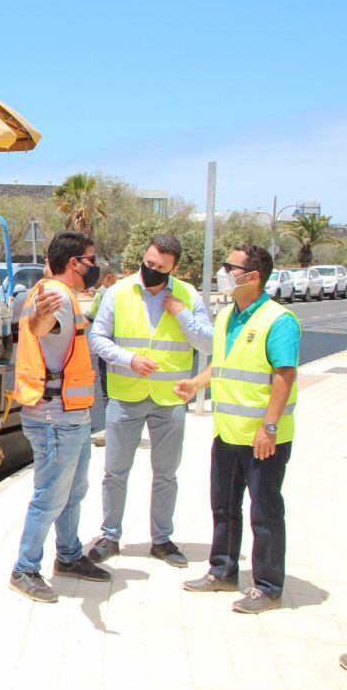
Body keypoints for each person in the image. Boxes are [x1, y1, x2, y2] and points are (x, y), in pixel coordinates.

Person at [174, 244, 299, 614]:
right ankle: (223, 571)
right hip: (227, 432)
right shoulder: (228, 314)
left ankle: (268, 587)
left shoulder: (279, 320)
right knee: (224, 507)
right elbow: (224, 365)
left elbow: (284, 376)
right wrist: (197, 383)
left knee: (265, 513)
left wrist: (269, 427)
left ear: (253, 276)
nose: (223, 272)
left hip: (263, 438)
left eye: (230, 267)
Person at [86, 235, 214, 569]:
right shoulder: (118, 291)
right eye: (148, 262)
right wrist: (129, 359)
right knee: (115, 472)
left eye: (159, 267)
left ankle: (162, 540)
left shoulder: (187, 295)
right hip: (125, 397)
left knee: (166, 474)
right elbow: (97, 338)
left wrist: (182, 314)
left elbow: (209, 343)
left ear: (174, 268)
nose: (150, 270)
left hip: (170, 400)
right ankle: (109, 536)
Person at [9, 230, 111, 603]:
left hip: (73, 416)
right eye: (91, 259)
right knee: (50, 496)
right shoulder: (53, 296)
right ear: (75, 263)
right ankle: (25, 568)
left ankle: (68, 557)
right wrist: (36, 317)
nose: (94, 266)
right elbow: (40, 325)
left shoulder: (64, 295)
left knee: (73, 492)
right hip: (54, 417)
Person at [85, 271, 118, 402]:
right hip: (113, 351)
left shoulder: (107, 294)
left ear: (108, 278)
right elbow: (88, 319)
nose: (95, 288)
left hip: (112, 351)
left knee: (111, 393)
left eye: (97, 284)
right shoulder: (102, 296)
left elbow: (87, 320)